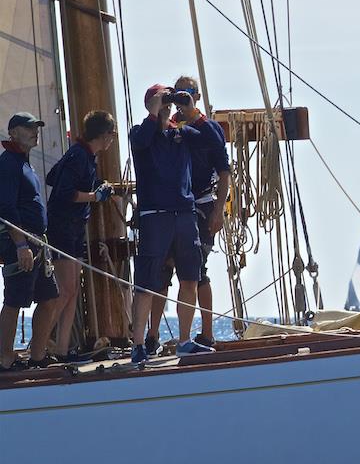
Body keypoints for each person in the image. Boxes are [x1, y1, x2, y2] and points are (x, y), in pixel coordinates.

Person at [128, 84, 225, 363]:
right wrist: (154, 112)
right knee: (147, 281)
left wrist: (191, 110)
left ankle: (184, 340)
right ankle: (138, 345)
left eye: (170, 104)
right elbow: (142, 141)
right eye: (164, 103)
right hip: (155, 215)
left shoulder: (180, 133)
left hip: (184, 214)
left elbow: (213, 142)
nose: (168, 108)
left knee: (190, 277)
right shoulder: (141, 132)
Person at [43, 111, 116, 362]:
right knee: (65, 290)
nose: (112, 140)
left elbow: (52, 176)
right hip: (63, 227)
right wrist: (95, 196)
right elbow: (64, 193)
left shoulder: (83, 155)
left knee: (71, 291)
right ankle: (38, 345)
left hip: (72, 228)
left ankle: (62, 349)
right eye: (111, 135)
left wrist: (96, 186)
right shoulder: (79, 156)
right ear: (104, 134)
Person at [0, 113, 59, 370]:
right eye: (28, 128)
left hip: (36, 243)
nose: (35, 131)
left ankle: (37, 355)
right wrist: (21, 245)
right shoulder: (9, 164)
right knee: (15, 299)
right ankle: (4, 358)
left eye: (36, 127)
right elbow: (6, 208)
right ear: (13, 133)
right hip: (20, 243)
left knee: (49, 298)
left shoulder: (24, 163)